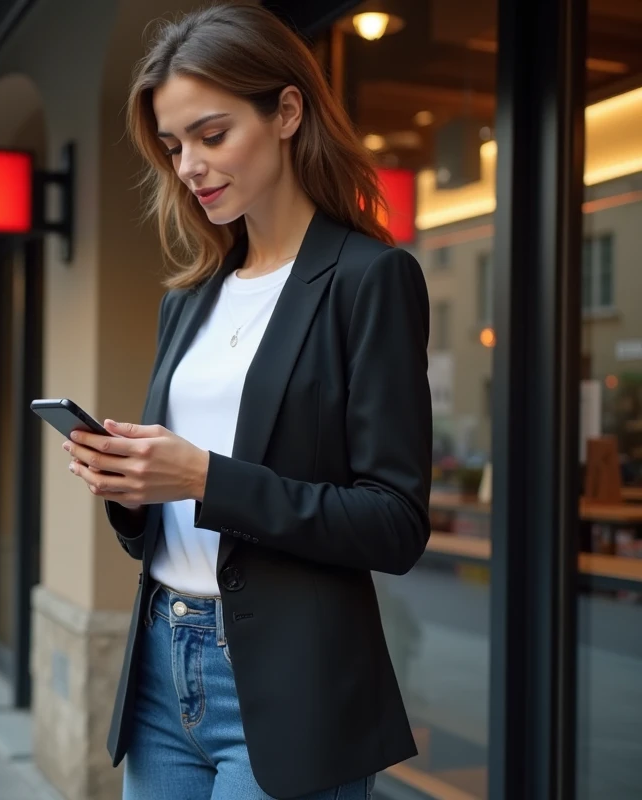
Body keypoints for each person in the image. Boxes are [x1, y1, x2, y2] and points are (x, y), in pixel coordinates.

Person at [63, 6, 432, 799]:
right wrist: (130, 487)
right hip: (163, 666)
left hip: (288, 683)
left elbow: (393, 522)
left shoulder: (370, 280)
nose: (189, 164)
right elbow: (160, 527)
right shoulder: (191, 299)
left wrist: (203, 478)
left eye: (211, 134)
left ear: (287, 112)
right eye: (173, 146)